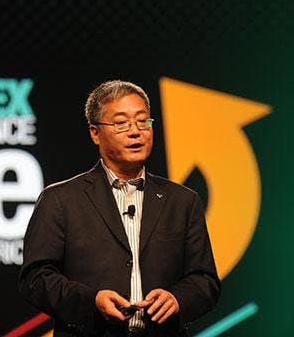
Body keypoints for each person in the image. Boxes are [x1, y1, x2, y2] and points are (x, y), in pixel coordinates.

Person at [18, 80, 221, 337]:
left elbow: (205, 281)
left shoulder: (183, 201)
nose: (135, 131)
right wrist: (91, 301)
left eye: (143, 121)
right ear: (95, 133)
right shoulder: (60, 199)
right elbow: (35, 279)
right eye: (122, 123)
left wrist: (178, 298)